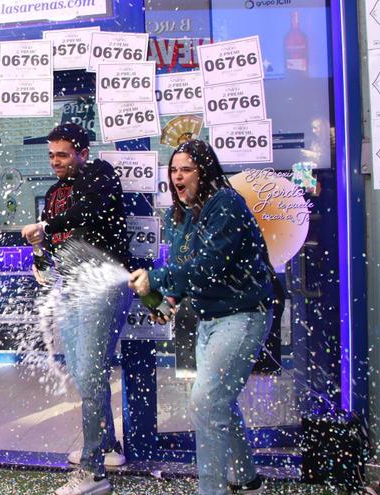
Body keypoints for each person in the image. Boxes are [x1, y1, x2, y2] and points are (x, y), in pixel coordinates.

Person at [128, 140, 274, 495]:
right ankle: (246, 479)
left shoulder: (225, 204)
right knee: (217, 400)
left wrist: (157, 278)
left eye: (186, 170)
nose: (178, 177)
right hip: (208, 318)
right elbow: (184, 269)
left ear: (204, 172)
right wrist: (165, 299)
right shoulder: (178, 213)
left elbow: (207, 268)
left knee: (206, 402)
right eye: (174, 170)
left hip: (242, 315)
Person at [20, 123, 132, 495]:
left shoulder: (100, 173)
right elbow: (53, 240)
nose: (55, 162)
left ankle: (93, 469)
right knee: (86, 374)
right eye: (51, 155)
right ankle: (108, 446)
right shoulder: (53, 194)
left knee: (91, 371)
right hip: (71, 287)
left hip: (101, 283)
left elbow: (86, 213)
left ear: (82, 152)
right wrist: (40, 254)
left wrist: (46, 225)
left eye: (63, 154)